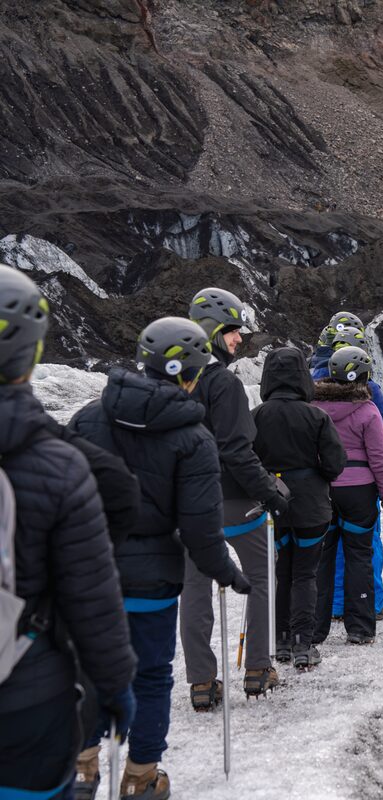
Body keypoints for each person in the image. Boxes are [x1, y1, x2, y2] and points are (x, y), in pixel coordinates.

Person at [71, 316, 250, 800]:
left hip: (90, 575)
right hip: (151, 582)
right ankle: (141, 775)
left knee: (87, 668)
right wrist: (226, 573)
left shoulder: (89, 418)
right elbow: (199, 527)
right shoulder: (193, 439)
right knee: (151, 674)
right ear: (190, 374)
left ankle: (83, 767)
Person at [0, 266, 137, 800]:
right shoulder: (59, 467)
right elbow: (92, 600)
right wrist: (114, 685)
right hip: (26, 694)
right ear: (31, 356)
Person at [179, 287, 290, 705]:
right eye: (232, 331)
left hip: (189, 505)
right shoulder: (222, 383)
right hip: (234, 500)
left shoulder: (176, 381)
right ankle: (259, 669)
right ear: (211, 331)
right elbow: (237, 452)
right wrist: (272, 493)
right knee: (260, 577)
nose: (239, 339)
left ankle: (202, 682)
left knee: (195, 586)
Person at [252, 347, 347, 669]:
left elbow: (246, 459)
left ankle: (280, 640)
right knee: (306, 574)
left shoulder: (257, 415)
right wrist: (316, 476)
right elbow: (335, 464)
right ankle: (302, 644)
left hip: (271, 505)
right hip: (310, 505)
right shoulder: (316, 416)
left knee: (283, 571)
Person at [310, 319, 383, 621]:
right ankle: (370, 606)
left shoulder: (311, 388)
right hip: (361, 487)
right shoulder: (367, 394)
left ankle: (334, 606)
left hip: (321, 485)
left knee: (329, 547)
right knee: (364, 548)